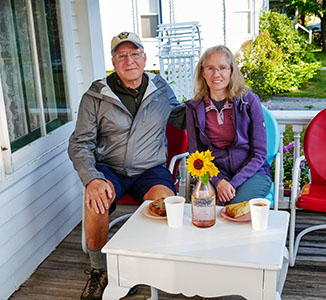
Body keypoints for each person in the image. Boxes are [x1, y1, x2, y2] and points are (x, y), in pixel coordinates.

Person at [68, 32, 183, 300]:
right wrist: (92, 179)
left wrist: (211, 104)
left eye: (134, 54)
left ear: (144, 57)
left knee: (165, 204)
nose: (129, 60)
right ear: (114, 61)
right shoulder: (95, 96)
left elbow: (179, 117)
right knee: (96, 199)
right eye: (122, 56)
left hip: (150, 169)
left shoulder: (161, 88)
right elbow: (79, 143)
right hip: (109, 168)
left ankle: (142, 264)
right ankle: (99, 270)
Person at [185, 45, 271, 205]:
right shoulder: (194, 108)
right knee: (203, 207)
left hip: (252, 173)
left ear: (231, 71)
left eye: (222, 68)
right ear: (202, 72)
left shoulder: (249, 101)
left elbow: (259, 154)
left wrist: (232, 184)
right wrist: (218, 182)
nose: (216, 74)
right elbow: (196, 155)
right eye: (210, 68)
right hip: (215, 174)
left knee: (234, 209)